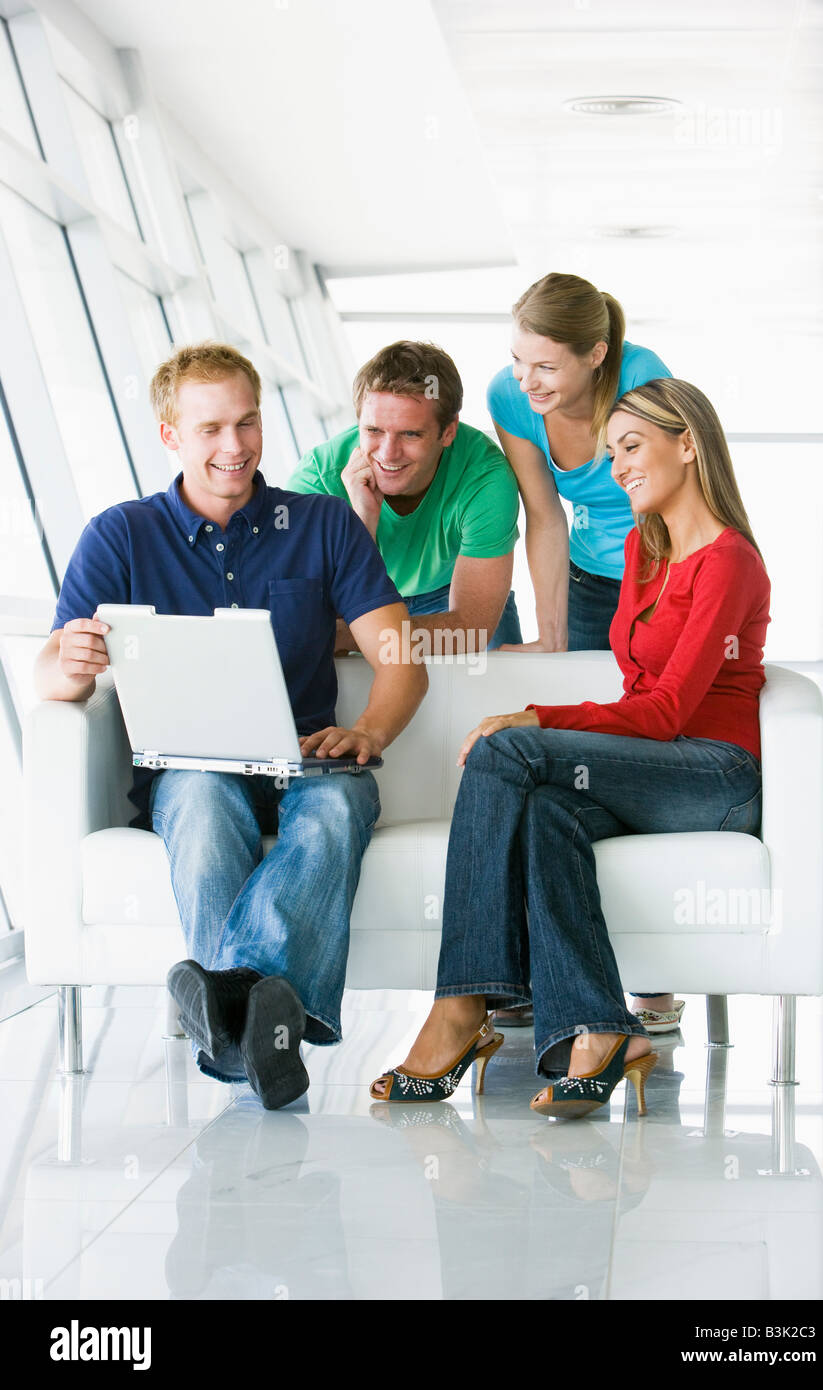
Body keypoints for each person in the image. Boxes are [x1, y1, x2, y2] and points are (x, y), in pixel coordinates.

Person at [34, 342, 427, 1110]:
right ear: (170, 436)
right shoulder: (120, 535)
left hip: (307, 762)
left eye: (247, 423)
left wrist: (371, 731)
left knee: (341, 804)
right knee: (204, 805)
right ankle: (263, 1032)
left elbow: (402, 660)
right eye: (211, 428)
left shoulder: (321, 525)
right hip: (192, 769)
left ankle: (229, 1012)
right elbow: (49, 673)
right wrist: (71, 659)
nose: (235, 447)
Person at [370, 378, 770, 1117]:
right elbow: (637, 698)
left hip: (714, 775)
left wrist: (539, 718)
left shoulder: (729, 561)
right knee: (549, 812)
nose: (617, 466)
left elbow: (666, 711)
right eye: (611, 451)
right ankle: (599, 1029)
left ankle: (462, 1007)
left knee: (506, 752)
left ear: (688, 444)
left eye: (632, 446)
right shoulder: (640, 548)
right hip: (650, 769)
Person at [288, 340, 521, 655]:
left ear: (448, 432)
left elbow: (470, 632)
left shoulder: (484, 477)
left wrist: (354, 635)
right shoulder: (317, 480)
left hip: (454, 591)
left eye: (411, 434)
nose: (388, 453)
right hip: (370, 599)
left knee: (500, 691)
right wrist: (361, 525)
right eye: (373, 431)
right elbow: (316, 625)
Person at [488, 271, 671, 653]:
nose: (526, 382)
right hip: (587, 580)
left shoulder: (640, 377)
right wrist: (550, 638)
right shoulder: (509, 396)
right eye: (518, 360)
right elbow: (545, 516)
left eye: (547, 368)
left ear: (596, 355)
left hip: (663, 575)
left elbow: (673, 499)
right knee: (582, 702)